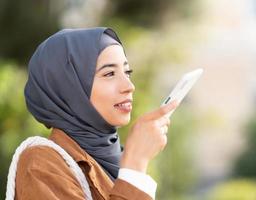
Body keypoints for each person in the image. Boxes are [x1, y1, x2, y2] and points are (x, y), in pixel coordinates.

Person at [14, 27, 178, 199]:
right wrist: (136, 163)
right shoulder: (40, 164)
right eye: (109, 74)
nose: (129, 86)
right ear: (71, 88)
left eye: (127, 72)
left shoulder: (115, 161)